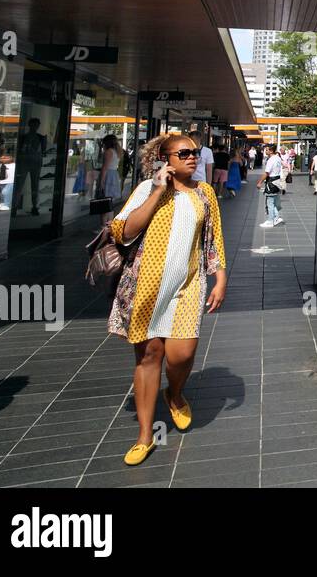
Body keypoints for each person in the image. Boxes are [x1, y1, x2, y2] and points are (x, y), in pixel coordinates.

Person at [110, 132, 227, 466]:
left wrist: (220, 278)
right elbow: (124, 231)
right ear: (165, 158)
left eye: (195, 152)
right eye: (184, 152)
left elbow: (214, 239)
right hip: (146, 285)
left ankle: (174, 394)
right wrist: (159, 189)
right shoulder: (148, 189)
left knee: (181, 354)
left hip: (188, 285)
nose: (192, 157)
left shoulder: (204, 193)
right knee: (149, 356)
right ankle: (145, 436)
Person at [12, 117, 47, 215]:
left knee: (34, 185)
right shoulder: (24, 137)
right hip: (25, 162)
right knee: (20, 185)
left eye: (37, 125)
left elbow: (43, 151)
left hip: (34, 163)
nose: (35, 127)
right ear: (30, 125)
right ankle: (15, 206)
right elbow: (20, 151)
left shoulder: (40, 137)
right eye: (34, 125)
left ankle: (34, 206)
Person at [98, 134, 123, 227]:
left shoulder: (109, 151)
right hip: (114, 175)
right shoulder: (116, 152)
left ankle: (103, 227)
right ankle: (109, 226)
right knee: (109, 203)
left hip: (108, 175)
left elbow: (105, 167)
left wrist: (101, 182)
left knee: (104, 203)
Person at [258, 143, 284, 227]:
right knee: (274, 201)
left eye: (267, 149)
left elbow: (267, 173)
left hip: (271, 182)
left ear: (271, 150)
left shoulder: (271, 160)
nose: (265, 151)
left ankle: (270, 221)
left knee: (270, 202)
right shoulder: (278, 158)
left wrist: (259, 182)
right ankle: (276, 218)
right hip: (277, 181)